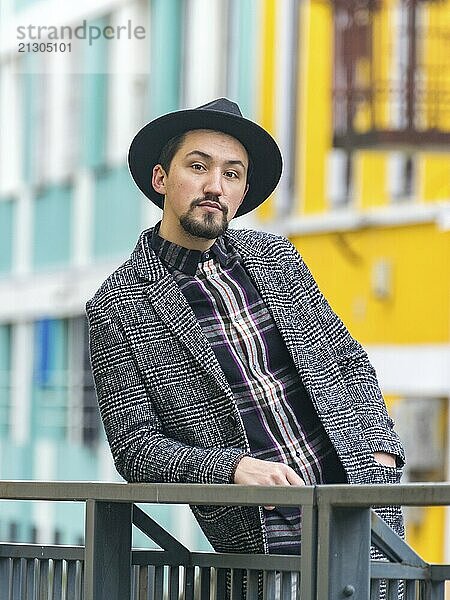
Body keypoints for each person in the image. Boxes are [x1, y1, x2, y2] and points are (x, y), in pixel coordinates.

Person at [86, 97, 404, 573]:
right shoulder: (117, 306)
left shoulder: (275, 258)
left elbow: (348, 362)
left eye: (232, 174)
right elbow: (137, 451)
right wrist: (234, 469)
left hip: (361, 509)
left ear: (242, 190)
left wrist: (379, 451)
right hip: (260, 539)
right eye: (198, 167)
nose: (215, 186)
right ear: (160, 179)